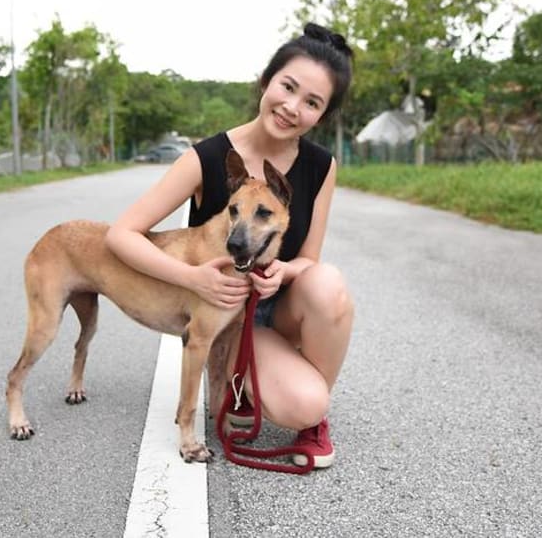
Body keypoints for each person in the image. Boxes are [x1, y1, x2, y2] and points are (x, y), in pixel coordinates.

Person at [104, 23, 355, 469]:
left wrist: (286, 271)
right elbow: (121, 234)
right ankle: (280, 391)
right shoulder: (205, 157)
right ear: (266, 80)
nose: (292, 107)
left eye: (312, 102)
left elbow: (308, 259)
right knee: (303, 400)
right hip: (224, 316)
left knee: (328, 283)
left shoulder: (321, 166)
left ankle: (309, 418)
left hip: (275, 309)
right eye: (288, 87)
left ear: (322, 115)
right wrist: (193, 278)